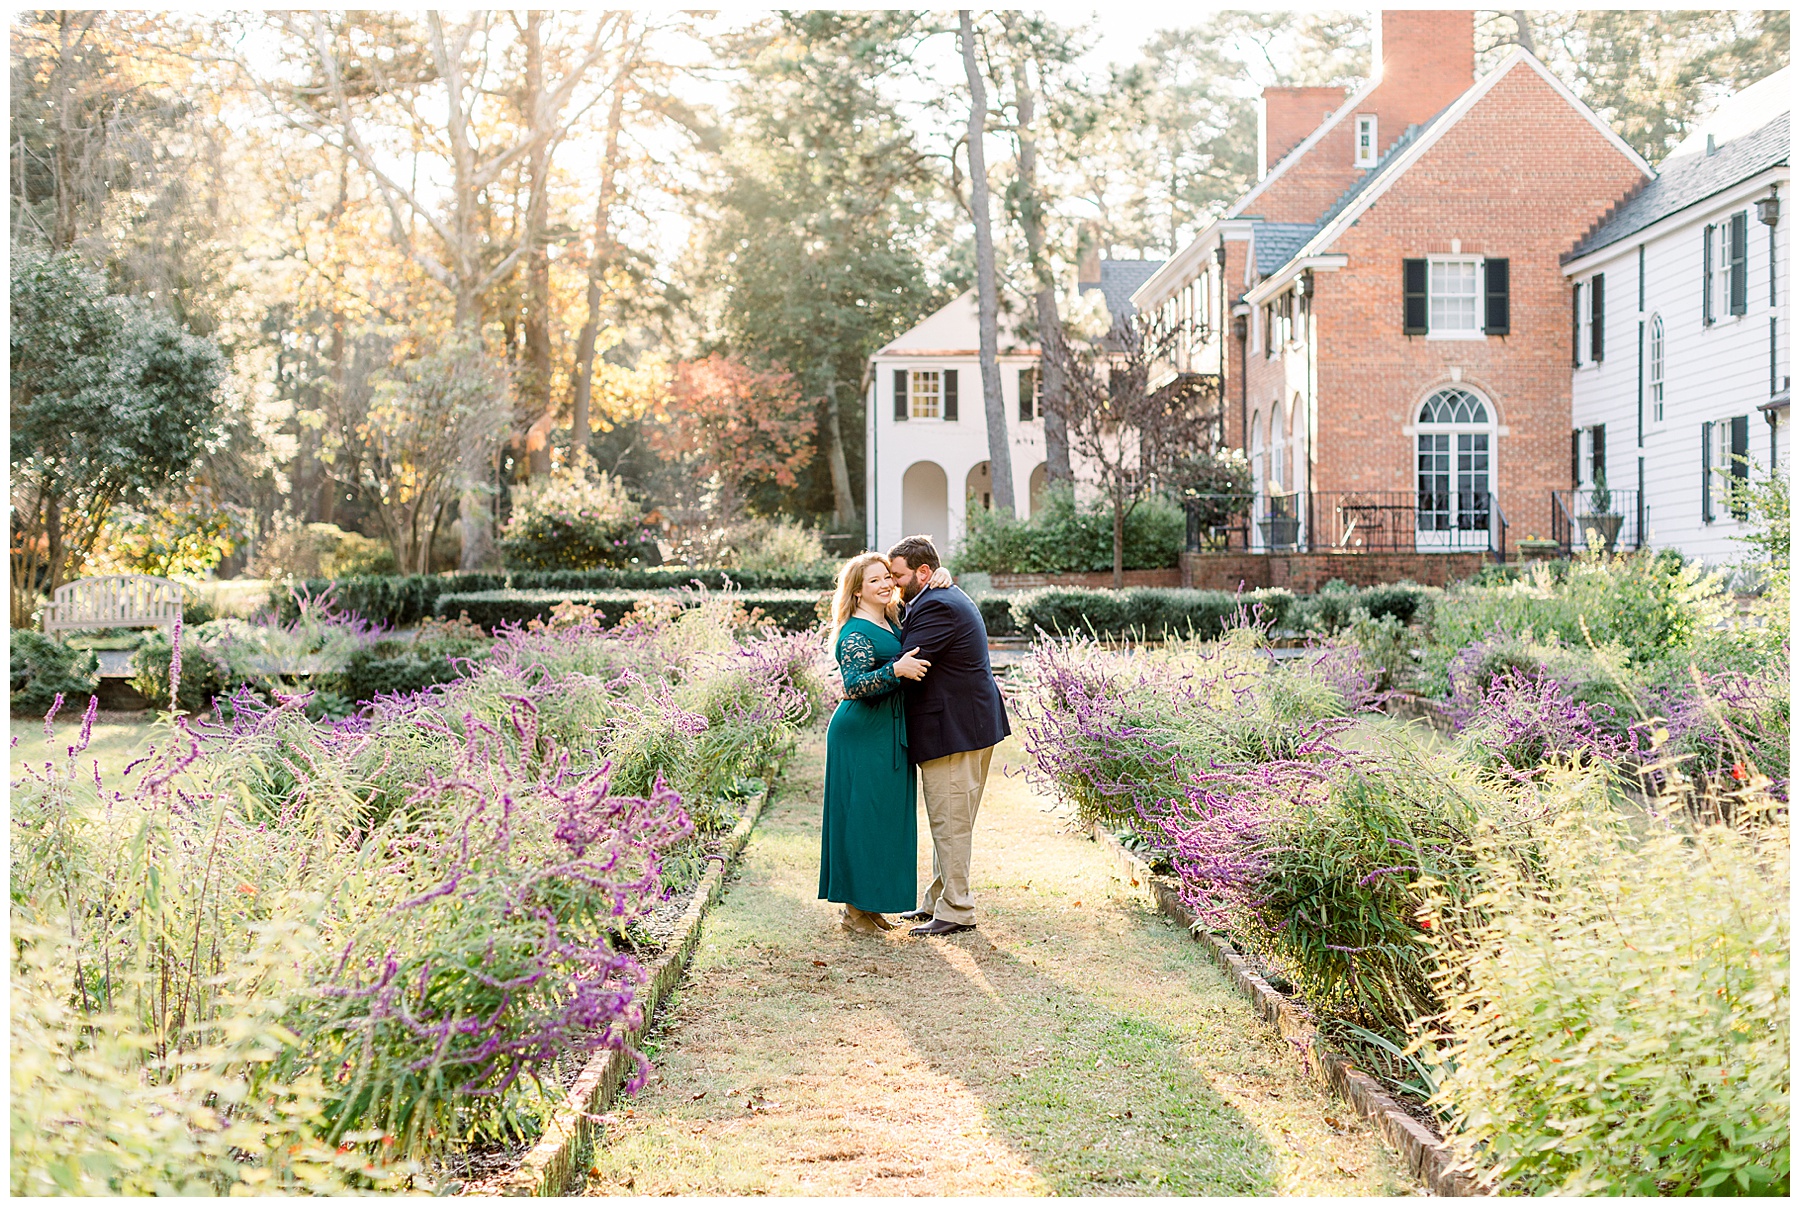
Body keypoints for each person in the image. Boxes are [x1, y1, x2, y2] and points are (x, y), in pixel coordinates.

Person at [817, 552, 949, 935]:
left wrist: (941, 575)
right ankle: (853, 913)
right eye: (874, 580)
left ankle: (869, 906)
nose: (886, 584)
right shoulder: (854, 631)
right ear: (857, 592)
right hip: (861, 733)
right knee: (861, 818)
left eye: (887, 577)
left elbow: (924, 589)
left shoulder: (892, 619)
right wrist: (897, 670)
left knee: (882, 819)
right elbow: (854, 684)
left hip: (888, 731)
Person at [886, 535, 1010, 937]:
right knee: (953, 820)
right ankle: (938, 897)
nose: (893, 584)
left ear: (923, 572)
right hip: (968, 723)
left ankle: (957, 909)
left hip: (954, 728)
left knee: (950, 821)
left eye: (898, 577)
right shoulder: (936, 595)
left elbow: (909, 661)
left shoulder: (936, 603)